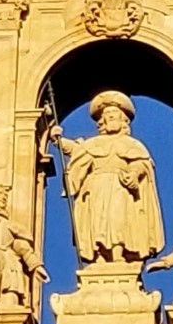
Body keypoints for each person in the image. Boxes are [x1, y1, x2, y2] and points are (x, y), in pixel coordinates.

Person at [55, 93, 164, 263]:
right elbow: (77, 152)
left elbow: (141, 162)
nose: (110, 115)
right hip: (95, 186)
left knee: (117, 220)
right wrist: (58, 139)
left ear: (123, 119)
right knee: (97, 221)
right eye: (106, 113)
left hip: (119, 186)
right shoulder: (93, 144)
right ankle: (99, 256)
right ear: (102, 121)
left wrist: (134, 175)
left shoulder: (132, 145)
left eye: (114, 112)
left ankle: (118, 254)